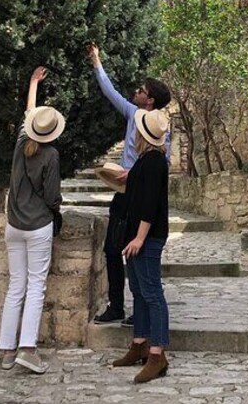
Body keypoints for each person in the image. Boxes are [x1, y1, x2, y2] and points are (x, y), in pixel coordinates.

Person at [87, 44, 171, 326]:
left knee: (140, 256)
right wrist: (97, 62)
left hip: (140, 197)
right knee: (112, 248)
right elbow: (110, 92)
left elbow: (160, 165)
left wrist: (132, 174)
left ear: (150, 100)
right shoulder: (132, 113)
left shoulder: (159, 130)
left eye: (140, 91)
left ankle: (143, 312)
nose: (135, 93)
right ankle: (116, 305)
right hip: (123, 195)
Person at [0, 66, 65, 374]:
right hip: (38, 225)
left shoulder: (19, 145)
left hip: (13, 224)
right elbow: (51, 195)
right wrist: (57, 209)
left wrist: (32, 83)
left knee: (16, 285)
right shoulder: (50, 156)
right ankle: (27, 348)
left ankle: (6, 351)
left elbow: (29, 113)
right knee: (36, 285)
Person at [112, 108, 171, 383]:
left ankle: (157, 354)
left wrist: (139, 237)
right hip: (136, 233)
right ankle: (139, 343)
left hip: (146, 236)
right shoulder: (144, 161)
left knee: (152, 292)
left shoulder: (155, 162)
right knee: (137, 289)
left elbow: (149, 204)